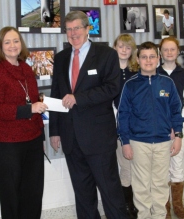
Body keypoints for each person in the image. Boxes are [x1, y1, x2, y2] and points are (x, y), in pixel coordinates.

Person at [49, 11, 127, 219]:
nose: (73, 33)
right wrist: (54, 131)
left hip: (99, 138)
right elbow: (56, 94)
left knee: (110, 191)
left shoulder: (106, 54)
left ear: (87, 28)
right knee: (82, 194)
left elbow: (112, 88)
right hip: (71, 138)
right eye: (69, 29)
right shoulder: (61, 58)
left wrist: (79, 98)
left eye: (77, 28)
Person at [0, 26, 47, 219]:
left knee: (33, 192)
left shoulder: (27, 69)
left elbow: (35, 101)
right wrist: (28, 109)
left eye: (16, 41)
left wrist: (41, 137)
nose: (13, 45)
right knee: (12, 194)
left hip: (33, 138)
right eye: (7, 42)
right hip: (7, 143)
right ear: (0, 47)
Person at [117, 41, 183, 219]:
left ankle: (160, 216)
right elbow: (122, 115)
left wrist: (178, 135)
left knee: (160, 185)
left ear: (158, 58)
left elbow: (177, 111)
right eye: (144, 57)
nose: (148, 60)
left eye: (152, 56)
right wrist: (125, 142)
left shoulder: (167, 83)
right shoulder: (130, 85)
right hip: (139, 143)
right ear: (137, 60)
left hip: (163, 142)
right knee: (141, 186)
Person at [158, 37, 184, 219]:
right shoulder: (154, 72)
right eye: (165, 49)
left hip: (180, 126)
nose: (169, 53)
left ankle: (178, 207)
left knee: (177, 165)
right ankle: (164, 210)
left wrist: (177, 125)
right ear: (161, 52)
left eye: (172, 49)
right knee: (162, 168)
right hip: (159, 128)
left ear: (177, 51)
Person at [112, 33, 139, 218]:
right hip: (109, 124)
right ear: (115, 47)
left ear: (132, 51)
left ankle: (131, 204)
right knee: (118, 166)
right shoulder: (107, 70)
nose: (123, 50)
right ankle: (122, 205)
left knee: (130, 165)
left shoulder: (136, 73)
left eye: (127, 47)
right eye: (120, 46)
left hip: (131, 125)